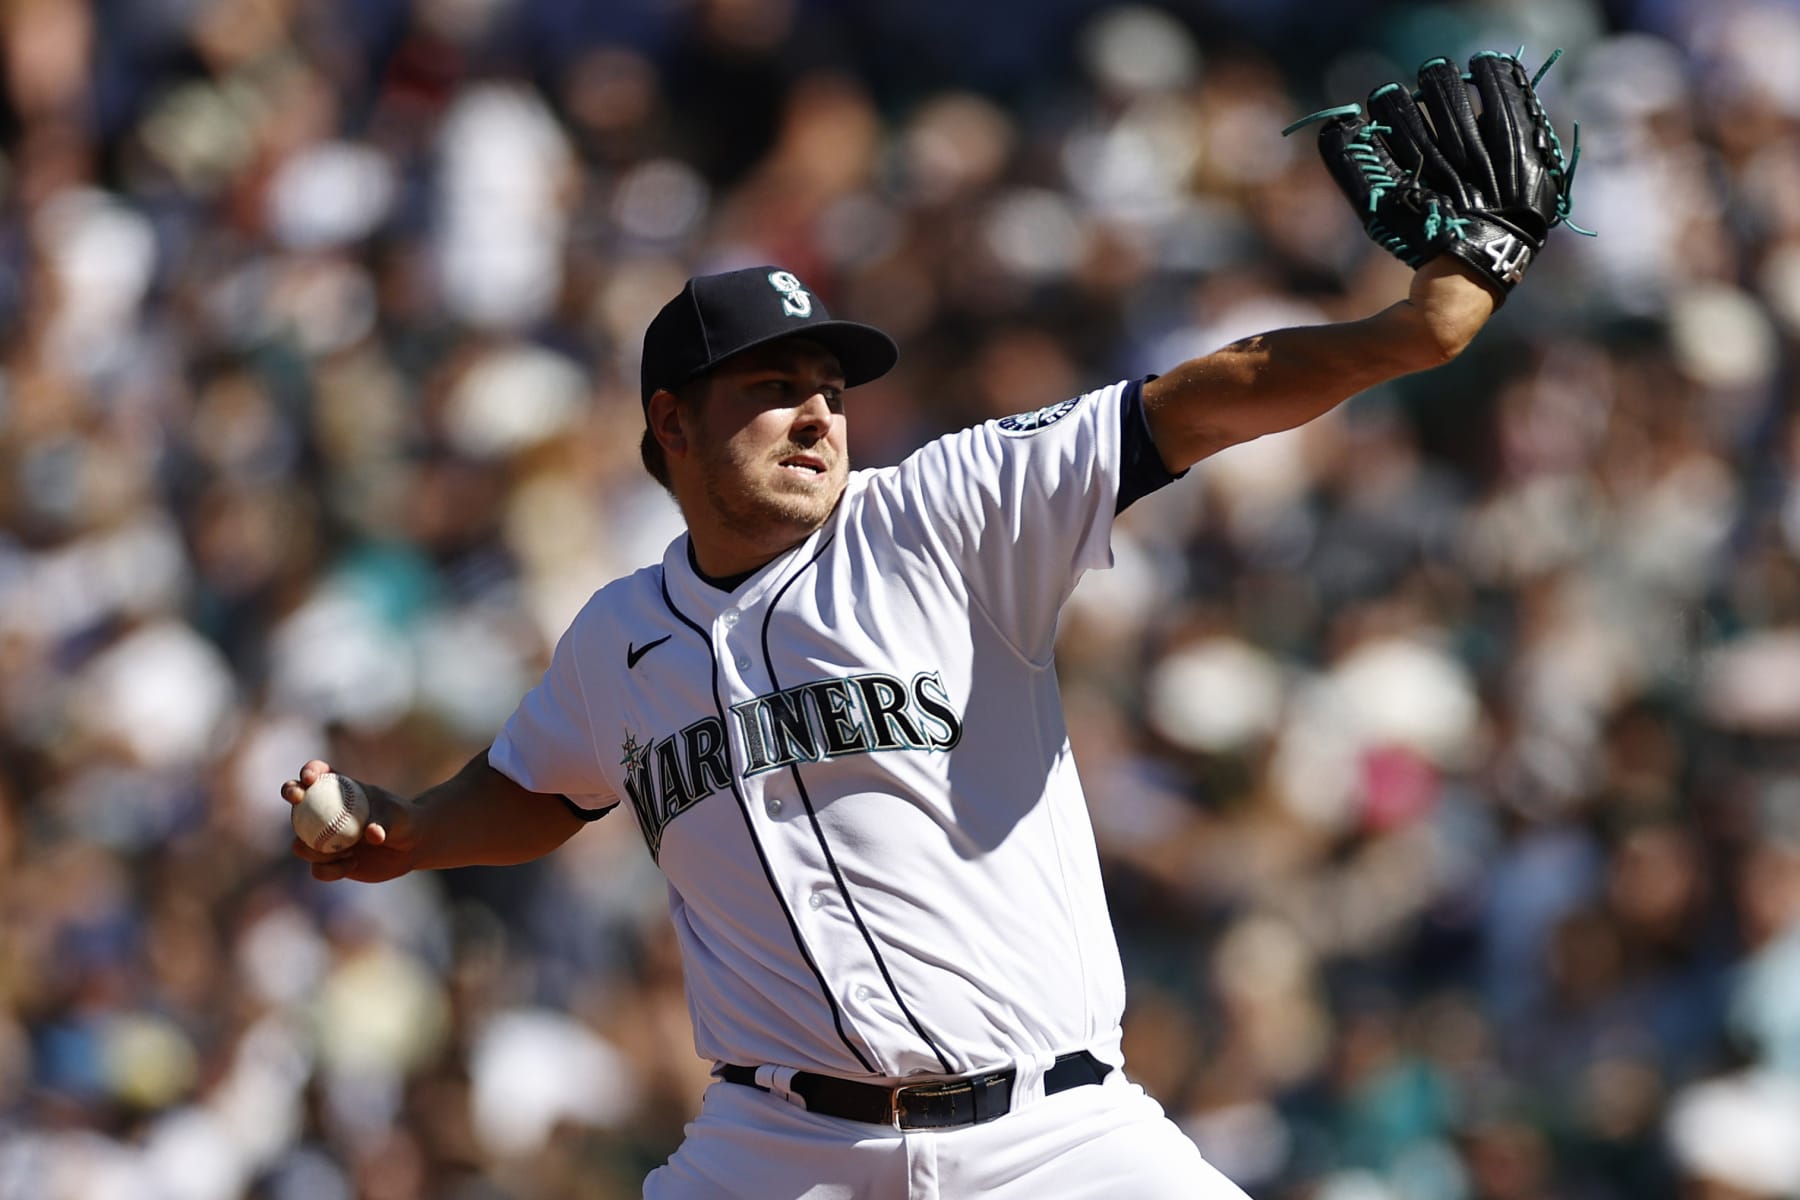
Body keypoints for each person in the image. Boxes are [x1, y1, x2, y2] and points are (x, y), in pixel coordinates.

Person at [285, 51, 1572, 1197]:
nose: (817, 415)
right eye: (772, 388)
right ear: (672, 426)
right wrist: (402, 837)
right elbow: (532, 791)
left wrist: (1413, 329)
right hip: (780, 1151)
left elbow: (1193, 400)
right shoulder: (617, 637)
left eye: (830, 390)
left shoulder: (942, 513)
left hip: (1055, 1139)